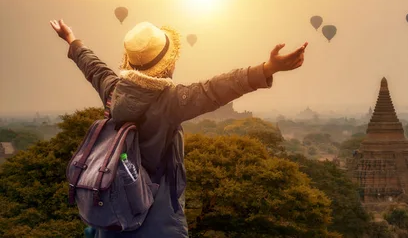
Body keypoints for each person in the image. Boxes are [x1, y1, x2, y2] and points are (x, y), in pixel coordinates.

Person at [50, 19, 307, 237]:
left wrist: (72, 40)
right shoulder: (171, 102)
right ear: (168, 64)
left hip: (113, 214)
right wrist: (268, 68)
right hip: (158, 219)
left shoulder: (113, 90)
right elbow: (216, 88)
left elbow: (93, 67)